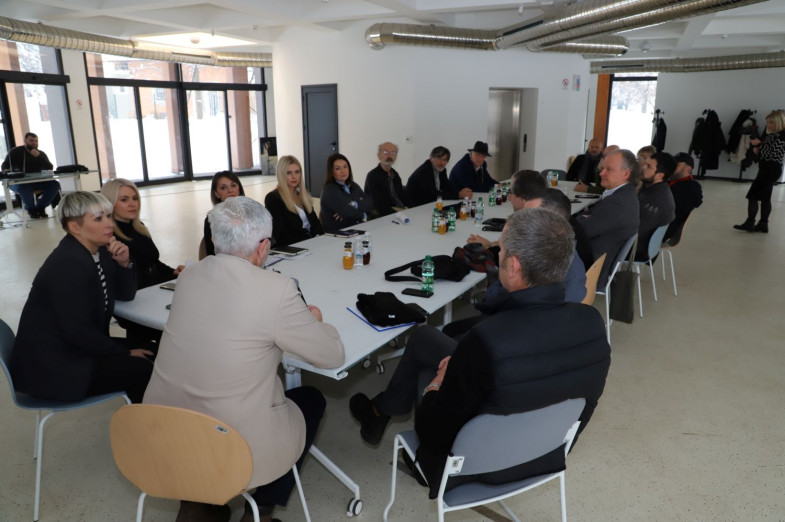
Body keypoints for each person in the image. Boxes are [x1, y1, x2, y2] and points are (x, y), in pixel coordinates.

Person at [350, 208, 610, 499]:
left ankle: (389, 421)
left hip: (472, 470)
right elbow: (583, 411)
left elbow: (430, 429)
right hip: (543, 459)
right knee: (433, 346)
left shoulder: (488, 340)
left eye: (501, 250)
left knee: (427, 363)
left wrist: (438, 383)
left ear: (513, 266)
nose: (496, 256)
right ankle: (381, 411)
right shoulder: (592, 324)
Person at [144, 196, 345, 522]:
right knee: (310, 399)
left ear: (214, 239)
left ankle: (198, 505)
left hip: (164, 432)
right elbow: (331, 354)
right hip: (229, 441)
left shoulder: (188, 277)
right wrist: (317, 322)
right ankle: (260, 512)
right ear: (263, 247)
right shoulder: (277, 289)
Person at [9, 191, 153, 404]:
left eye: (108, 216)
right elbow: (77, 331)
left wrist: (124, 264)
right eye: (98, 219)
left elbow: (125, 295)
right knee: (143, 368)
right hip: (54, 366)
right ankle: (144, 422)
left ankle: (149, 415)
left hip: (76, 348)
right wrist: (124, 353)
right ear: (75, 228)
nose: (109, 224)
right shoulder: (69, 264)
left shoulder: (99, 251)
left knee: (153, 350)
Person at [573, 149, 641, 288]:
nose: (601, 173)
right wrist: (586, 217)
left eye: (608, 169)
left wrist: (582, 218)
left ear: (626, 174)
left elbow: (583, 229)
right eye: (602, 168)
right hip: (598, 255)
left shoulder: (618, 203)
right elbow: (589, 216)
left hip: (593, 265)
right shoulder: (622, 194)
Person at [101, 178, 185, 288]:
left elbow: (153, 262)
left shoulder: (139, 227)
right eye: (124, 200)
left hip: (154, 286)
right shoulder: (109, 236)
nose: (132, 204)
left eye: (135, 198)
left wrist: (174, 272)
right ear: (110, 203)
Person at [466, 169, 546, 250]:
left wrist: (484, 249)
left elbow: (505, 255)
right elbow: (506, 245)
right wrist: (490, 244)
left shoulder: (526, 229)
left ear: (523, 199)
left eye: (510, 192)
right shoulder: (541, 219)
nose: (509, 198)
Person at [734, 110, 785, 233]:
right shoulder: (773, 134)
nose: (768, 125)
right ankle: (763, 224)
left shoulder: (782, 135)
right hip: (769, 168)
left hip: (770, 169)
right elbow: (766, 152)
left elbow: (773, 153)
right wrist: (759, 148)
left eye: (771, 122)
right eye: (768, 122)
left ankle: (750, 223)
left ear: (778, 122)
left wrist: (760, 144)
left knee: (753, 196)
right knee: (765, 198)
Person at [264, 155, 323, 246]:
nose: (294, 176)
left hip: (312, 242)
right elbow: (280, 233)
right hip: (293, 246)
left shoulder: (302, 193)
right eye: (289, 173)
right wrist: (309, 241)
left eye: (297, 172)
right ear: (281, 175)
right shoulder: (273, 198)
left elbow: (315, 223)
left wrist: (321, 238)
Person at [1, 132, 61, 219]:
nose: (34, 143)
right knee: (24, 187)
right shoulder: (15, 152)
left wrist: (39, 156)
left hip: (37, 181)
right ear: (25, 141)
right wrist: (9, 171)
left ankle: (40, 207)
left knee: (55, 184)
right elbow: (4, 166)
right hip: (19, 183)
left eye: (36, 141)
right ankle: (31, 210)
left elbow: (50, 167)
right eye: (31, 140)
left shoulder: (40, 153)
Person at [636, 151, 676, 260]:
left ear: (659, 175)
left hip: (636, 250)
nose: (643, 167)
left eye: (648, 166)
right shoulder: (655, 189)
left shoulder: (655, 201)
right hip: (640, 244)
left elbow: (633, 231)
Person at [320, 153, 373, 232]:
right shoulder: (330, 189)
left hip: (356, 228)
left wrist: (354, 204)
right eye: (337, 168)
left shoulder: (353, 185)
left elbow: (369, 203)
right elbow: (347, 212)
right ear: (331, 171)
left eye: (345, 167)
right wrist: (363, 214)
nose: (343, 171)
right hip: (339, 233)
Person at [406, 146, 472, 206]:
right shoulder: (424, 171)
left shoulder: (441, 170)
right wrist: (459, 195)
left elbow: (447, 187)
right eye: (439, 159)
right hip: (414, 206)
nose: (442, 163)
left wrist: (460, 192)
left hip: (427, 203)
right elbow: (433, 195)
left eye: (445, 160)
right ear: (431, 158)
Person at [203, 171, 245, 256]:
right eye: (223, 188)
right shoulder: (211, 220)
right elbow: (212, 254)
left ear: (239, 189)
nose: (230, 190)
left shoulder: (252, 213)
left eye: (233, 185)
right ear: (216, 194)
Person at [665, 152, 703, 242]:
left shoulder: (689, 188)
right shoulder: (671, 182)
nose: (672, 167)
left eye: (677, 165)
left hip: (661, 231)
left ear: (688, 168)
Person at [364, 142, 406, 217]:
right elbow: (380, 206)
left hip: (400, 210)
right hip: (384, 216)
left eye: (393, 153)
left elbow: (401, 196)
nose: (389, 155)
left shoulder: (395, 174)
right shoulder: (372, 176)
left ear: (396, 156)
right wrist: (400, 215)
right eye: (385, 152)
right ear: (379, 155)